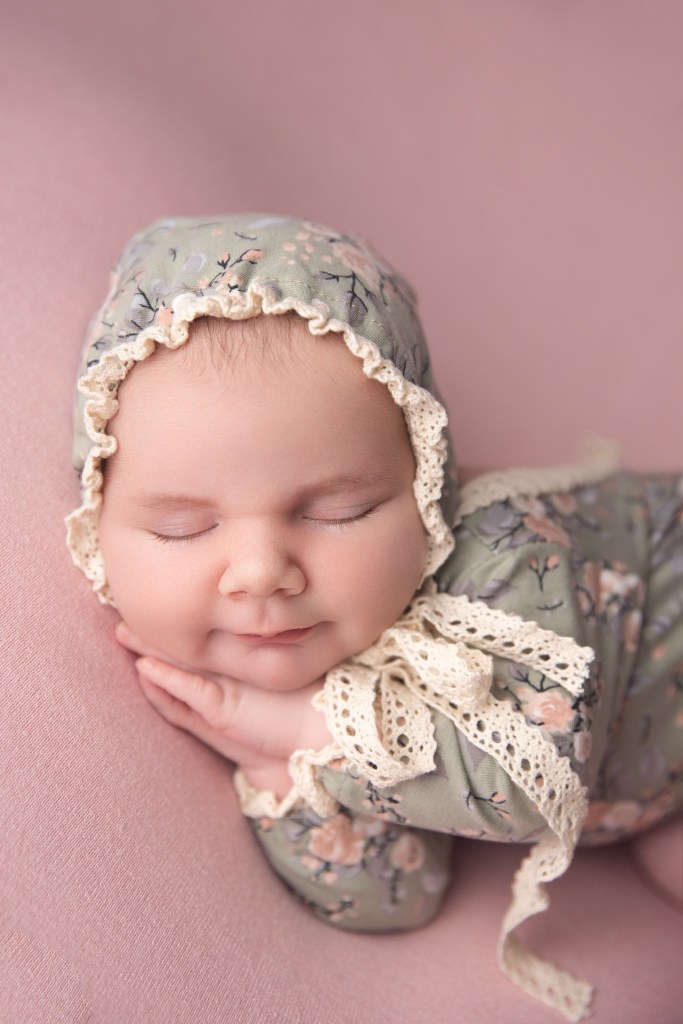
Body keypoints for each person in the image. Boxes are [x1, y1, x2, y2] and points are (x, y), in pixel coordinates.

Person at [66, 213, 683, 1022]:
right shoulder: (300, 652)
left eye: (340, 511)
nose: (260, 572)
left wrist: (295, 727)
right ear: (97, 524)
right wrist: (271, 765)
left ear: (426, 481)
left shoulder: (513, 556)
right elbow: (396, 898)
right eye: (184, 528)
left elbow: (526, 783)